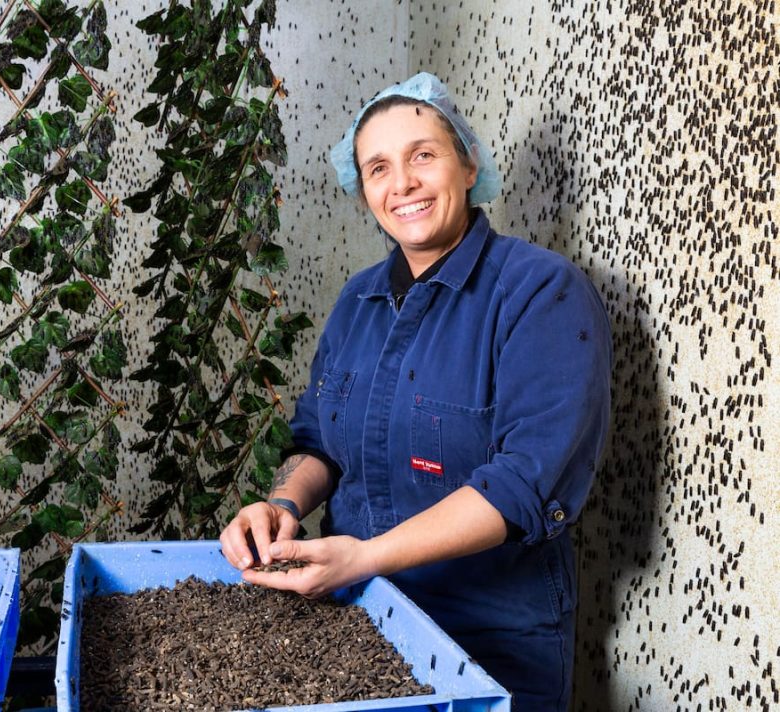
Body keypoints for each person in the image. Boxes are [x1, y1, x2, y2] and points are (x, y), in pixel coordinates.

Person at [219, 72, 612, 710]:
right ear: (364, 189)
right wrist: (282, 505)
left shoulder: (541, 294)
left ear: (466, 162)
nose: (400, 183)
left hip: (492, 638)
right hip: (360, 622)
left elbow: (521, 487)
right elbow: (320, 440)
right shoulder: (359, 300)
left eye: (422, 155)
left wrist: (365, 557)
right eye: (378, 167)